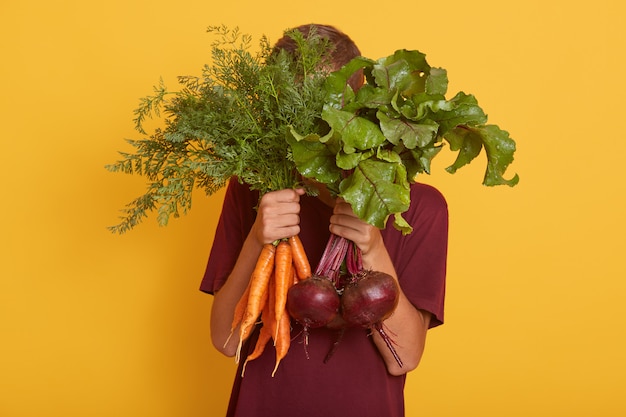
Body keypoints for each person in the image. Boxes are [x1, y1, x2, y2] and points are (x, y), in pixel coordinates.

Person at [200, 24, 448, 417]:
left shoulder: (419, 207)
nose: (308, 130)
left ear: (358, 103)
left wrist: (373, 249)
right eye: (293, 111)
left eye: (323, 110)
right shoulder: (253, 191)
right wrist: (256, 240)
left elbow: (405, 357)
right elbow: (226, 340)